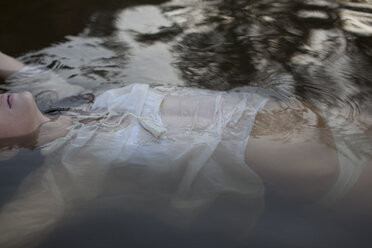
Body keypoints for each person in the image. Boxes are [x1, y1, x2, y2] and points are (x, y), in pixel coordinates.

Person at [0, 51, 370, 247]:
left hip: (343, 119)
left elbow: (18, 71)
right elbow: (20, 223)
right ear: (5, 153)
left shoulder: (74, 101)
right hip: (339, 175)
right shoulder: (72, 170)